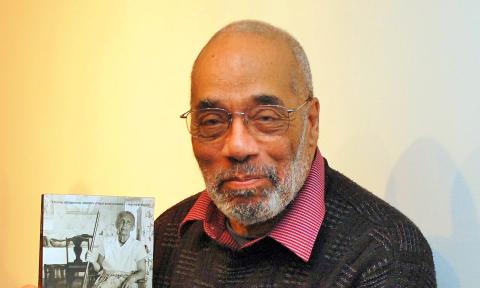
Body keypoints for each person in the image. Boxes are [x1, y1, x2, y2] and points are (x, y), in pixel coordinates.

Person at [153, 20, 436, 287]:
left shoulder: (382, 254)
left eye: (265, 118)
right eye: (213, 121)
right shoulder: (164, 237)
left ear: (311, 123)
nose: (237, 147)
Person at [87, 211, 147, 288]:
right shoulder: (106, 242)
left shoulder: (138, 246)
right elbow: (99, 270)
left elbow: (142, 271)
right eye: (122, 221)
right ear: (117, 224)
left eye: (128, 222)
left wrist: (132, 278)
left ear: (132, 227)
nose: (124, 224)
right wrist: (93, 261)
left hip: (127, 282)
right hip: (107, 281)